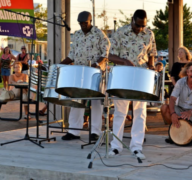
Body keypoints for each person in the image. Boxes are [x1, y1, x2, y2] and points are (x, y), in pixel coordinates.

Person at [108, 9, 157, 160]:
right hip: (123, 75)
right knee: (120, 113)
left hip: (141, 77)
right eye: (137, 25)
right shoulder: (120, 32)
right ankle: (116, 147)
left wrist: (152, 66)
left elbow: (152, 54)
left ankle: (137, 146)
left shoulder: (149, 34)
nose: (140, 29)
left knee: (140, 113)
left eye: (143, 26)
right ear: (132, 20)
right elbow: (109, 55)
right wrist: (124, 61)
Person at [60, 11, 110, 141]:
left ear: (90, 21)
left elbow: (105, 53)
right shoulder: (76, 35)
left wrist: (95, 65)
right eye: (80, 23)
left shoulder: (99, 34)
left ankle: (95, 132)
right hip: (79, 72)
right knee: (76, 100)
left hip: (95, 72)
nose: (82, 25)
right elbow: (72, 55)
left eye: (85, 23)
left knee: (96, 102)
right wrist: (59, 65)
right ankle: (74, 131)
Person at [160, 62, 192, 145]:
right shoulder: (180, 82)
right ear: (187, 72)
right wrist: (173, 113)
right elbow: (172, 99)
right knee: (164, 107)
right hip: (180, 110)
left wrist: (190, 112)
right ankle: (174, 133)